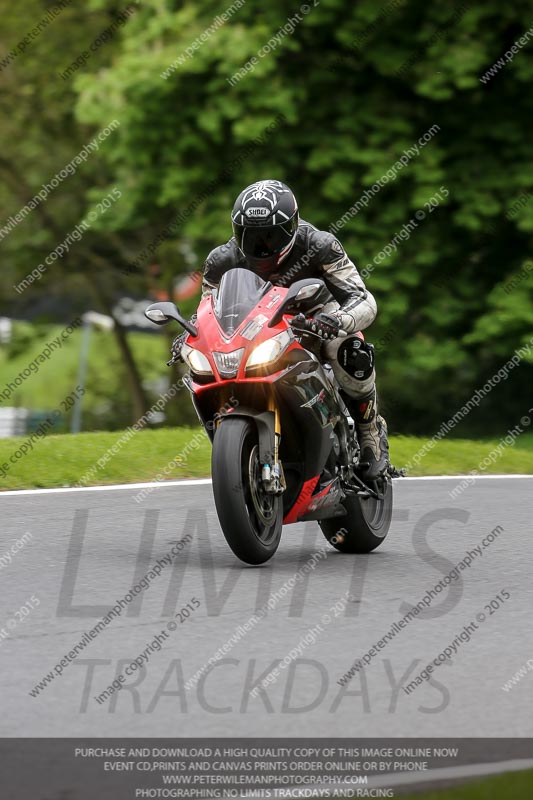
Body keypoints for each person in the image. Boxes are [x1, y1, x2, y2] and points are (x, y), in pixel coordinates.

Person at [172, 179, 389, 480]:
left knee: (351, 351)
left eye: (270, 236)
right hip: (255, 332)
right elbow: (207, 312)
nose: (261, 246)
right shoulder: (221, 261)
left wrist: (337, 321)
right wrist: (189, 335)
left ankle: (369, 431)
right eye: (250, 235)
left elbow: (362, 298)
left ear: (292, 227)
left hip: (315, 322)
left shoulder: (320, 245)